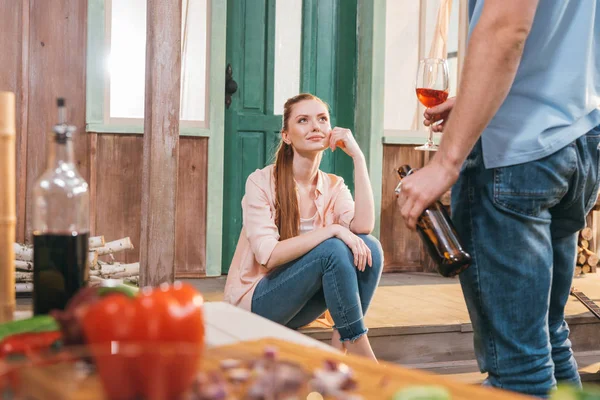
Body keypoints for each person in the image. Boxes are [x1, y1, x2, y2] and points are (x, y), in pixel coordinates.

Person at [397, 0, 600, 397]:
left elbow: (507, 27)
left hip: (516, 152)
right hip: (579, 141)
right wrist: (481, 97)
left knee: (518, 368)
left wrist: (446, 162)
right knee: (548, 335)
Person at [224, 93, 384, 360]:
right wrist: (332, 230)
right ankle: (363, 358)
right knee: (333, 248)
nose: (315, 126)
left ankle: (342, 341)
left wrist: (358, 158)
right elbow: (268, 254)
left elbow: (364, 226)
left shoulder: (333, 185)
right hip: (258, 303)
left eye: (322, 119)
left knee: (371, 247)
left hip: (302, 306)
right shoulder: (261, 182)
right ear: (286, 135)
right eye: (303, 120)